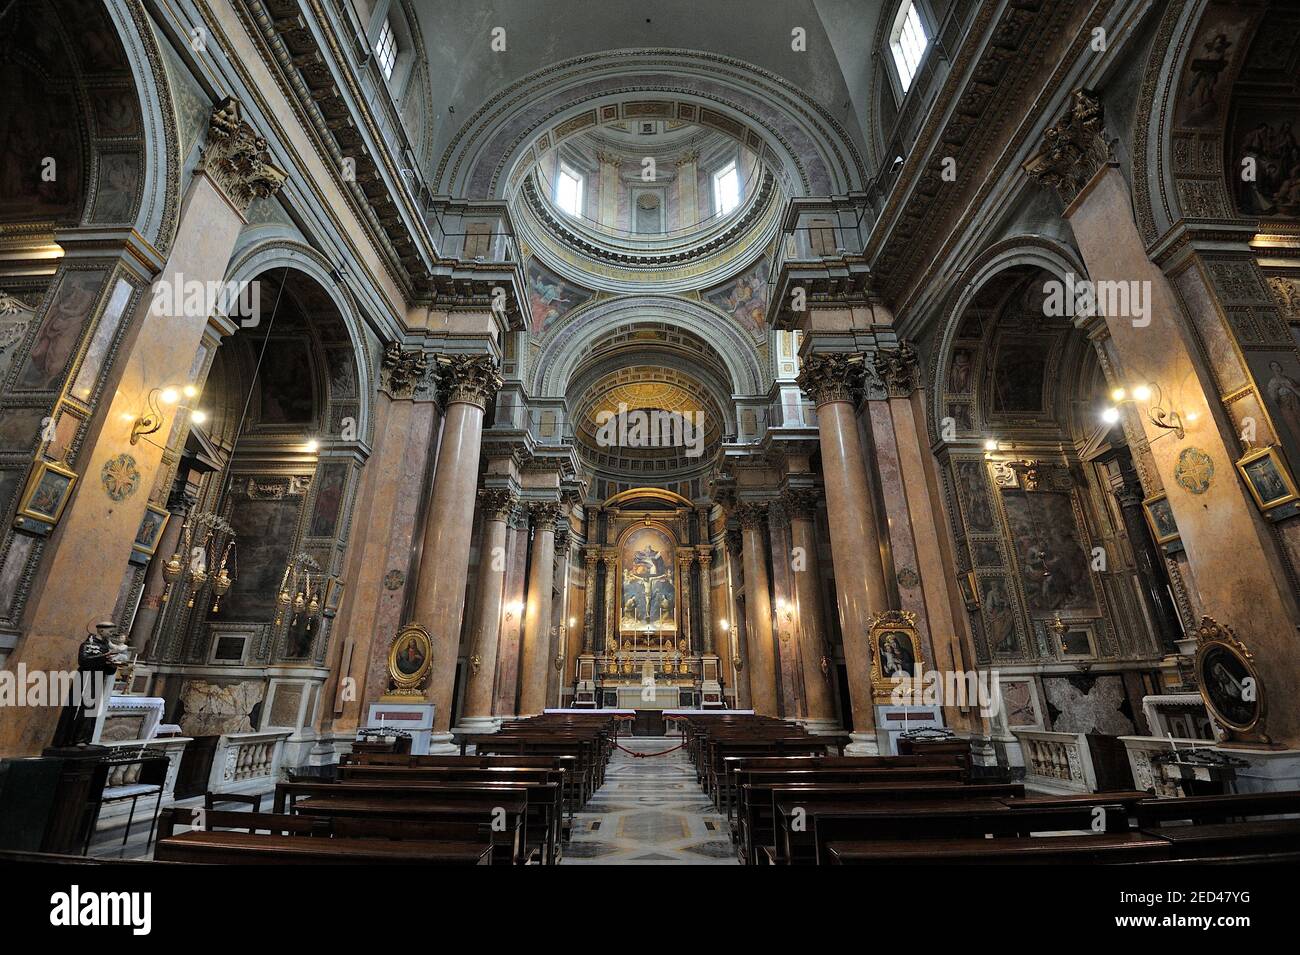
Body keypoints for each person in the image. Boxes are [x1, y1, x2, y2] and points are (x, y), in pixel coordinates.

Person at [50, 621, 129, 749]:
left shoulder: (106, 647)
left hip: (98, 679)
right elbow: (84, 660)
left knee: (91, 710)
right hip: (85, 679)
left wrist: (113, 664)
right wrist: (104, 657)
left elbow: (108, 670)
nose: (110, 634)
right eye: (109, 631)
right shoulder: (87, 644)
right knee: (81, 708)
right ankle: (72, 739)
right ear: (100, 630)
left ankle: (84, 738)